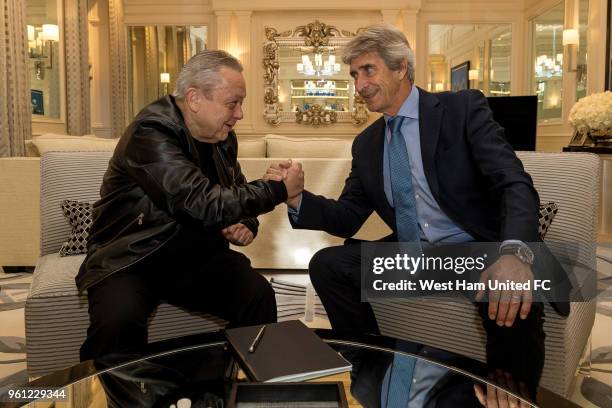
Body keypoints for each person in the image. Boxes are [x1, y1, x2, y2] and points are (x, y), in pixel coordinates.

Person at [265, 24, 569, 396]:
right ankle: (370, 366)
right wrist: (296, 198)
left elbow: (513, 184)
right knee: (327, 265)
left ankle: (514, 397)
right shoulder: (367, 143)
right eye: (354, 75)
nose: (359, 85)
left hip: (476, 249)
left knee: (507, 294)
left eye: (368, 70)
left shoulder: (462, 109)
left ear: (401, 68)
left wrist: (515, 253)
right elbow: (348, 216)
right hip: (417, 257)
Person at [77, 50, 304, 361]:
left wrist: (246, 223)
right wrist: (277, 189)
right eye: (232, 103)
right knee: (117, 324)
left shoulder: (222, 137)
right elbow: (200, 202)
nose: (239, 113)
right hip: (133, 258)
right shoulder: (151, 132)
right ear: (195, 98)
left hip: (195, 255)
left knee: (257, 295)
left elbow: (232, 191)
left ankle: (248, 383)